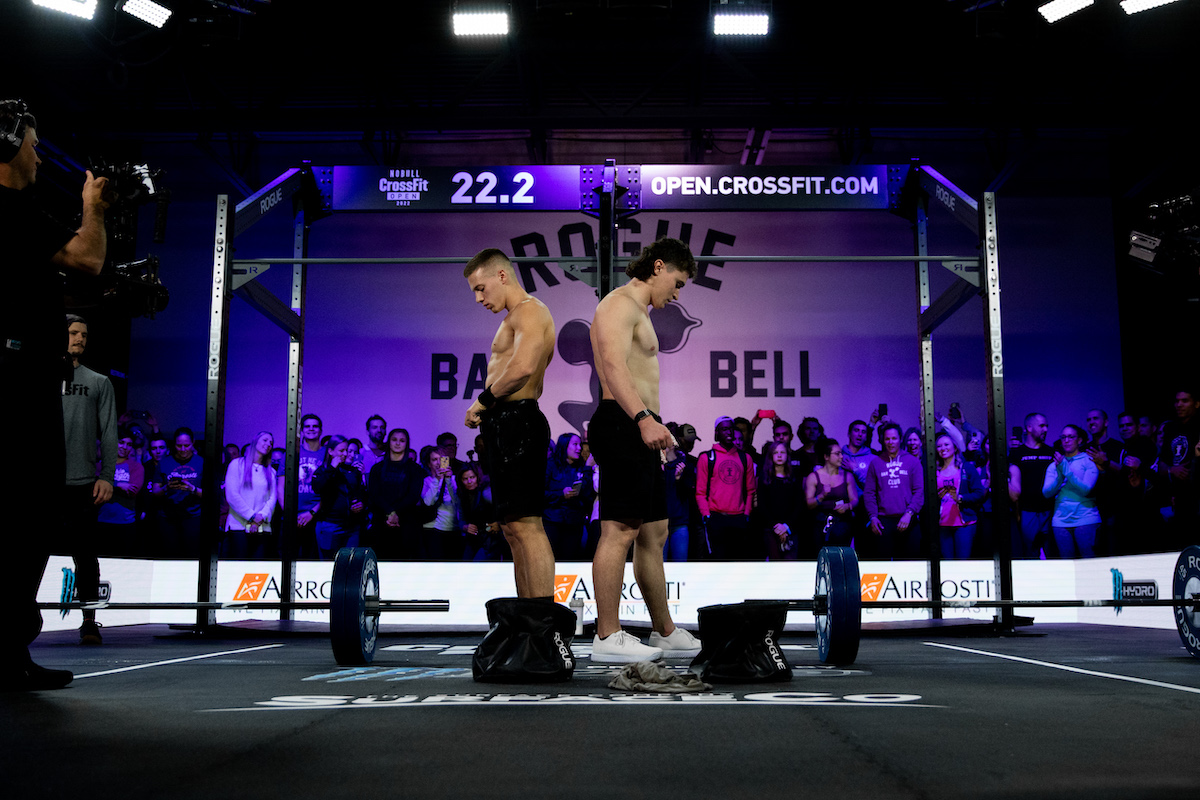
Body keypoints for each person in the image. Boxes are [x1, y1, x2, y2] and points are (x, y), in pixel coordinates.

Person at [2, 98, 109, 689]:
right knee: (26, 517)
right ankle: (9, 651)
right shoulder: (13, 208)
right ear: (8, 142)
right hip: (16, 383)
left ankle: (9, 651)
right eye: (34, 144)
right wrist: (92, 207)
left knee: (22, 518)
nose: (40, 154)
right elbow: (88, 257)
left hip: (20, 374)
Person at [587, 237, 701, 663]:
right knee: (619, 530)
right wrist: (642, 419)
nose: (677, 293)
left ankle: (664, 630)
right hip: (622, 422)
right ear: (657, 267)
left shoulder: (640, 312)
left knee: (655, 533)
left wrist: (653, 423)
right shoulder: (618, 304)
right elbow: (614, 368)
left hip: (641, 426)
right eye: (677, 281)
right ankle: (607, 636)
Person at [462, 248, 557, 596]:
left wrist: (482, 401)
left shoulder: (531, 311)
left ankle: (544, 622)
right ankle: (527, 622)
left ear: (502, 275)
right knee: (512, 527)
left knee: (528, 525)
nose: (478, 298)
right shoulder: (513, 317)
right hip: (504, 423)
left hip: (519, 421)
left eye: (480, 287)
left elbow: (523, 367)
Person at [61, 314, 117, 645]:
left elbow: (109, 432)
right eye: (72, 333)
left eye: (83, 333)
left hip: (83, 482)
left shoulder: (98, 382)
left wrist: (107, 476)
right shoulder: (38, 375)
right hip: (43, 480)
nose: (79, 338)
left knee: (85, 555)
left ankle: (89, 621)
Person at [695, 416, 756, 559]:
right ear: (717, 433)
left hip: (738, 518)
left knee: (737, 561)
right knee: (718, 560)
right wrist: (706, 515)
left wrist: (746, 514)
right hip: (716, 517)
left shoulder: (745, 458)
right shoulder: (707, 457)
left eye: (730, 429)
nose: (728, 432)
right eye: (724, 429)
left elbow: (750, 490)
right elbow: (700, 491)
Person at [863, 422, 924, 559]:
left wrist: (909, 513)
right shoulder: (876, 463)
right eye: (887, 439)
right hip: (883, 521)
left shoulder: (912, 461)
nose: (891, 442)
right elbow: (869, 493)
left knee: (909, 564)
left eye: (894, 438)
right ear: (883, 440)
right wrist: (873, 516)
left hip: (908, 518)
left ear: (900, 439)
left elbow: (919, 491)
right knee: (883, 565)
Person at [365, 428, 427, 560]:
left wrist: (395, 512)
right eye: (394, 440)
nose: (398, 443)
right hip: (381, 523)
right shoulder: (377, 468)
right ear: (389, 442)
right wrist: (390, 512)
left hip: (406, 524)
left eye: (402, 440)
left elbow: (413, 495)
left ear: (407, 444)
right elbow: (374, 494)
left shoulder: (415, 469)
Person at [1043, 424, 1101, 558]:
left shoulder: (1089, 461)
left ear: (1079, 440)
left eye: (1070, 437)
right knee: (1067, 563)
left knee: (1088, 562)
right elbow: (1046, 493)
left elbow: (1086, 489)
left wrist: (1067, 472)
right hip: (1060, 520)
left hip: (1086, 518)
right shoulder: (1055, 464)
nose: (1066, 440)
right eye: (1063, 437)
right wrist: (1059, 476)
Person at [1007, 412, 1057, 559]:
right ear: (1029, 427)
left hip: (1049, 510)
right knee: (1030, 555)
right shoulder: (1017, 453)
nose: (1046, 429)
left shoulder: (1051, 452)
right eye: (1041, 426)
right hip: (1027, 511)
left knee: (1052, 555)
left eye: (1047, 426)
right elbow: (1014, 489)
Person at [222, 431, 278, 559]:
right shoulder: (237, 465)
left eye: (271, 442)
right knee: (239, 569)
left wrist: (260, 518)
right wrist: (252, 516)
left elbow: (272, 499)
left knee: (258, 572)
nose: (268, 444)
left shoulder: (271, 472)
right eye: (265, 440)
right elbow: (232, 495)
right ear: (255, 441)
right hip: (238, 527)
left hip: (262, 527)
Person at [312, 435, 368, 559]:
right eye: (341, 450)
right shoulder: (322, 471)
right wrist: (332, 468)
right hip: (330, 526)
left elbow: (362, 494)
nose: (345, 454)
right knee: (329, 565)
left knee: (350, 565)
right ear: (331, 451)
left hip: (352, 528)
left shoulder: (353, 472)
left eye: (346, 450)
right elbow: (317, 488)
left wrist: (361, 504)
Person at [543, 433, 595, 561]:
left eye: (580, 445)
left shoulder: (582, 467)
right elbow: (539, 493)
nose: (579, 449)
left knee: (570, 560)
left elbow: (589, 494)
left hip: (574, 523)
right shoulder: (550, 465)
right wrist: (561, 494)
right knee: (551, 558)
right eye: (575, 444)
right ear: (564, 445)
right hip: (552, 521)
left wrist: (588, 468)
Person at [934, 433, 987, 559]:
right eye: (939, 446)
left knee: (962, 562)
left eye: (946, 444)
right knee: (947, 563)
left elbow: (979, 493)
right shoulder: (934, 470)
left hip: (965, 522)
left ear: (955, 447)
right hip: (942, 523)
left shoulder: (967, 468)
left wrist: (961, 498)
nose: (943, 448)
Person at [97, 425, 145, 556]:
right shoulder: (101, 465)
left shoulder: (136, 467)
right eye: (121, 442)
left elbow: (132, 491)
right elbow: (95, 489)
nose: (125, 447)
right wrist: (119, 485)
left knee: (123, 561)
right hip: (102, 520)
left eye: (129, 444)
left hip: (125, 522)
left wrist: (107, 485)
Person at [804, 438, 858, 554]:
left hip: (842, 524)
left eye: (841, 453)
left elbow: (855, 500)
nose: (841, 457)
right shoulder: (813, 477)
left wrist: (847, 506)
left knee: (840, 557)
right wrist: (822, 495)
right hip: (819, 524)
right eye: (837, 454)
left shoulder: (847, 476)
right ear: (826, 457)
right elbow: (809, 504)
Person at [159, 427, 206, 556]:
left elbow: (211, 495)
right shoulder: (164, 462)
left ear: (193, 443)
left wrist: (192, 489)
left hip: (193, 516)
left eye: (187, 445)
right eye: (179, 446)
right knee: (170, 554)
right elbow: (155, 491)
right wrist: (167, 487)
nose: (183, 449)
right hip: (168, 516)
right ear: (174, 444)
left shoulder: (202, 462)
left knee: (191, 554)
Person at [756, 441, 804, 559]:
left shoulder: (794, 477)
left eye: (782, 452)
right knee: (775, 567)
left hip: (791, 528)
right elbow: (762, 505)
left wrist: (786, 526)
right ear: (771, 456)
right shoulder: (764, 479)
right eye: (775, 452)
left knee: (790, 567)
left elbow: (799, 504)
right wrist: (776, 526)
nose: (779, 455)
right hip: (770, 529)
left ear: (787, 455)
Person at [420, 444, 461, 560]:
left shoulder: (454, 479)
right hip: (433, 529)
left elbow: (456, 500)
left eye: (441, 459)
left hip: (454, 528)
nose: (438, 463)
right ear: (429, 464)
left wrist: (448, 480)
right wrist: (437, 480)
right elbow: (428, 502)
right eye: (434, 460)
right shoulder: (426, 481)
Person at [295, 413, 325, 558]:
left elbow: (331, 489)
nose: (311, 429)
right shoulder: (293, 452)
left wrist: (312, 512)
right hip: (293, 516)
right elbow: (281, 487)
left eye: (315, 426)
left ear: (321, 430)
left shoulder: (328, 454)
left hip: (319, 516)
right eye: (307, 426)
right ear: (302, 430)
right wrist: (289, 513)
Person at [458, 463, 501, 561]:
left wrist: (500, 524)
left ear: (477, 477)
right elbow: (461, 520)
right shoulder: (462, 496)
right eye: (465, 479)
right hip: (472, 539)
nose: (469, 481)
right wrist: (465, 527)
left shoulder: (486, 491)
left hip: (490, 539)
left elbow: (501, 510)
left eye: (472, 477)